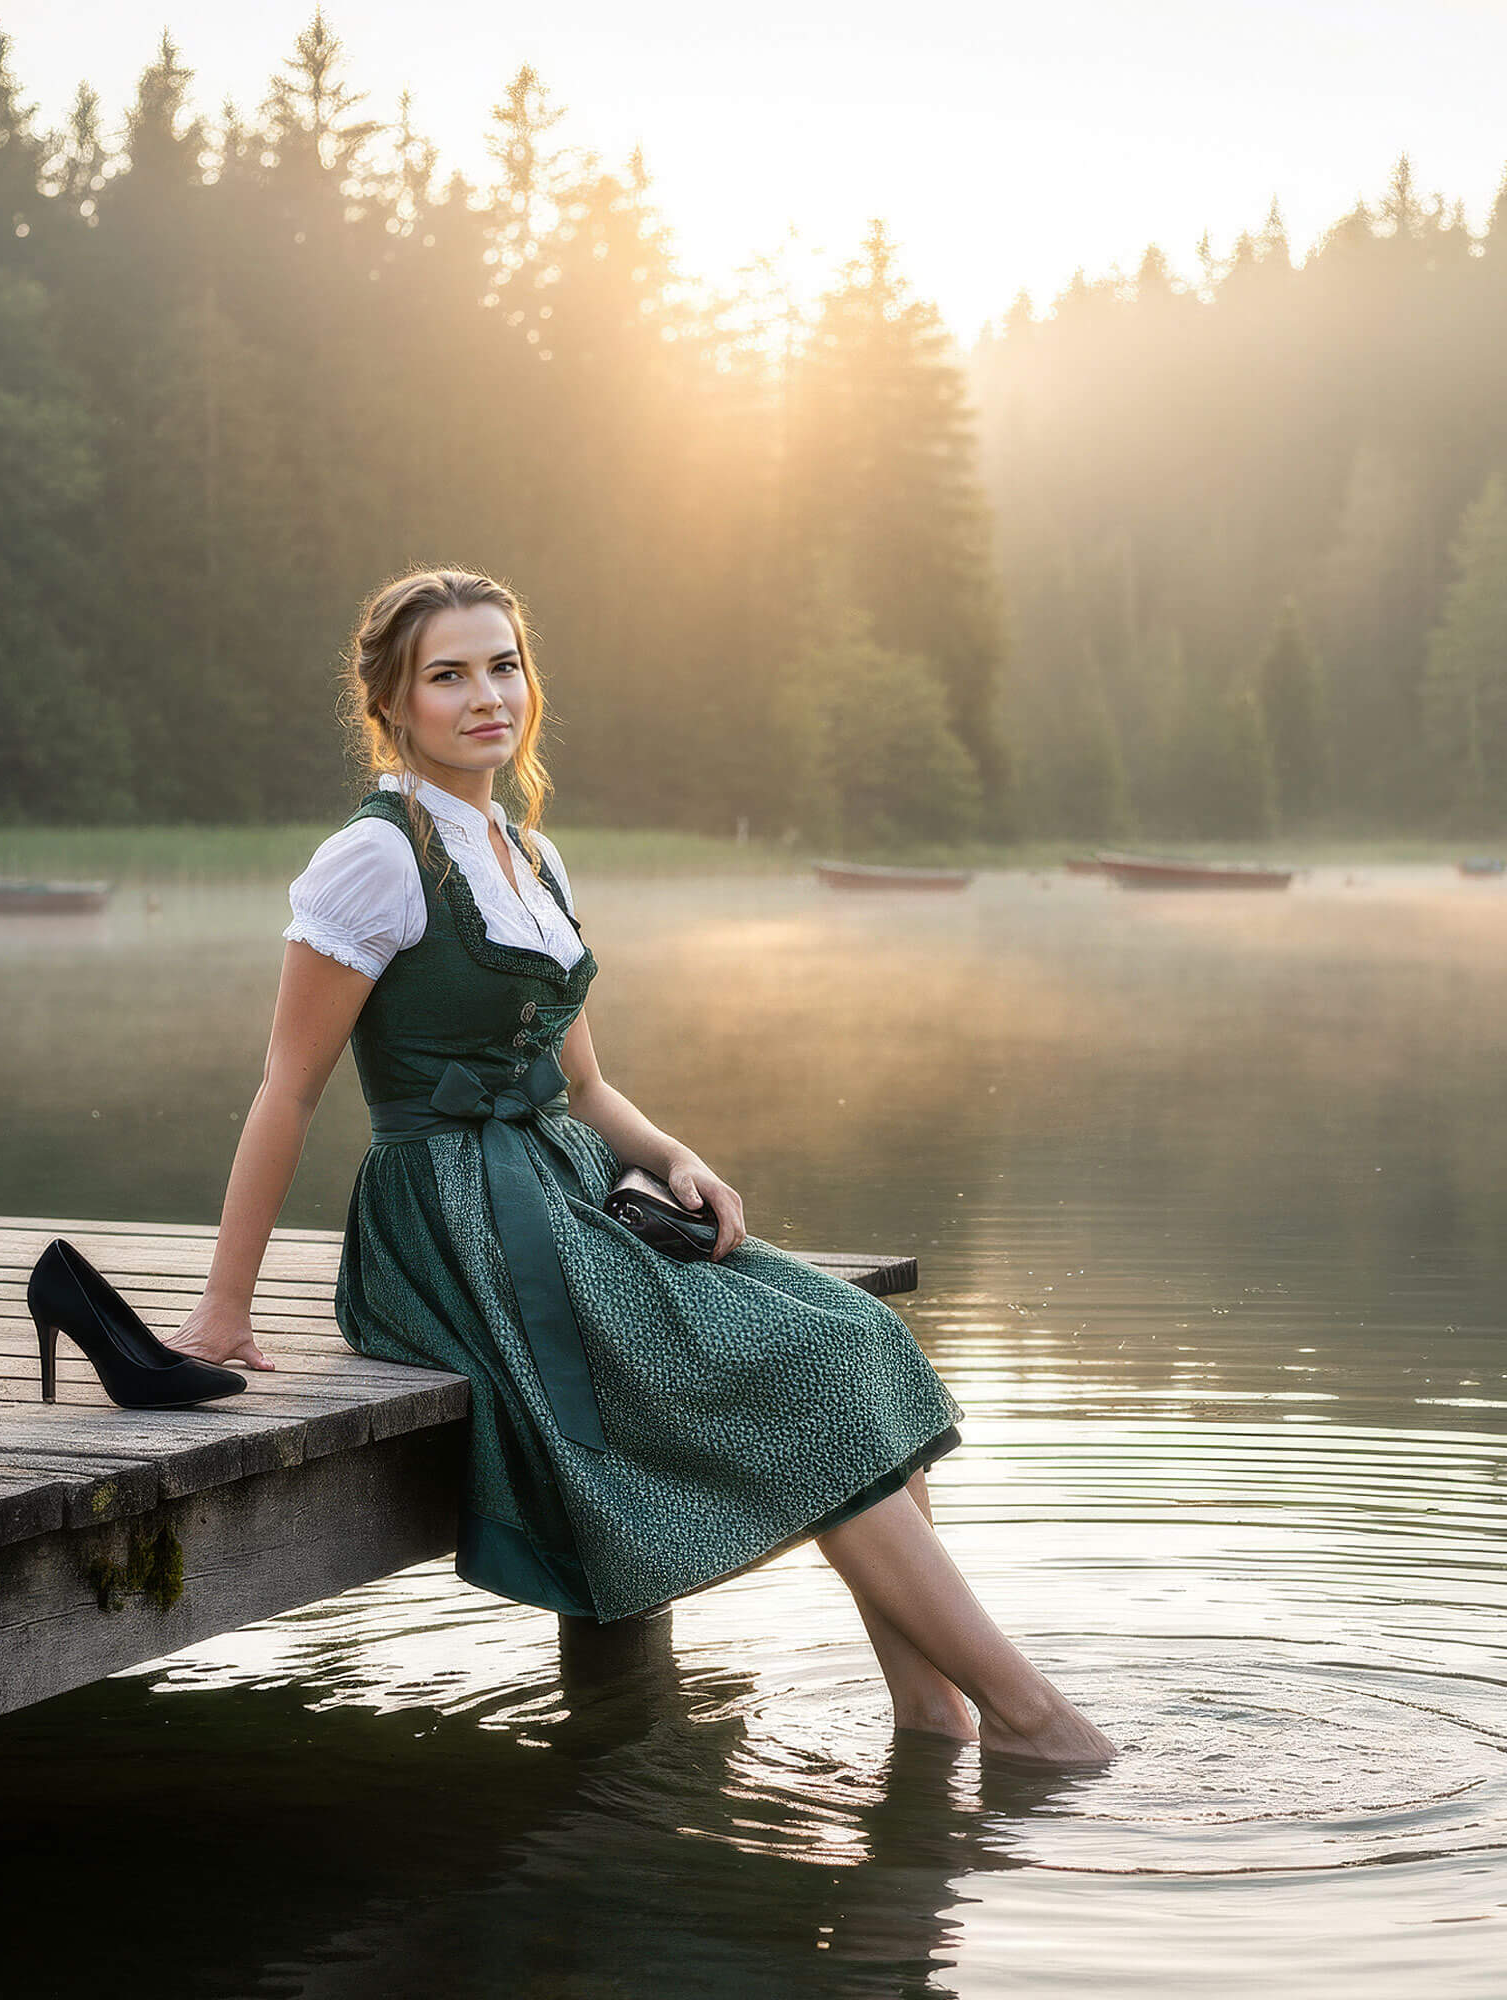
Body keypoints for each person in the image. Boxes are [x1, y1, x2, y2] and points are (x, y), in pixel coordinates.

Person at [170, 567, 1115, 1766]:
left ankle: (931, 1714)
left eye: (501, 665)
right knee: (798, 1365)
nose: (484, 696)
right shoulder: (376, 858)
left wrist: (676, 1157)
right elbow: (286, 1090)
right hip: (447, 1221)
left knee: (858, 1336)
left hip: (560, 1179)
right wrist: (223, 1306)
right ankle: (1034, 1717)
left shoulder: (531, 855)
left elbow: (584, 1086)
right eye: (447, 675)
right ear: (392, 703)